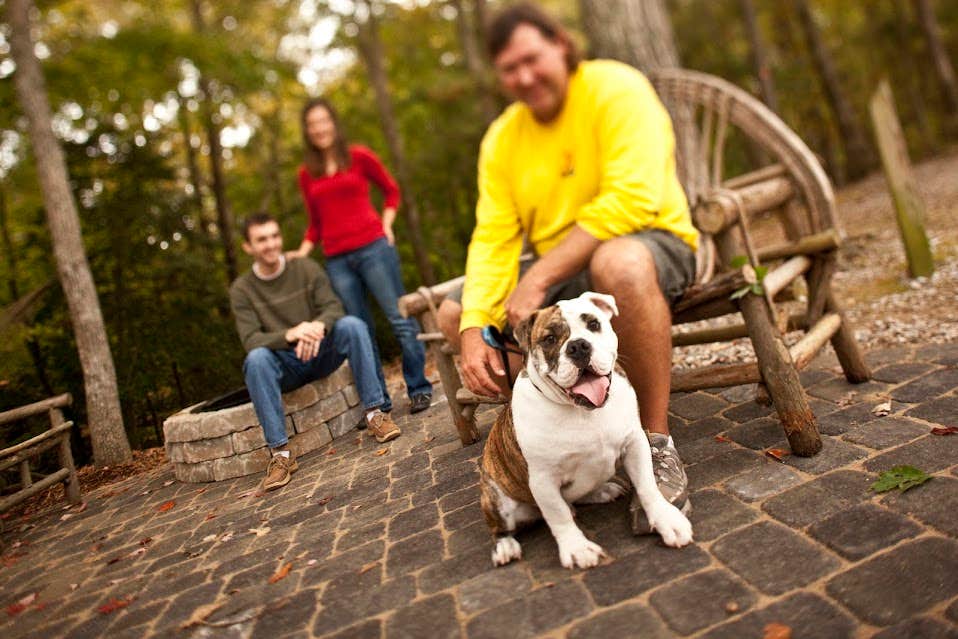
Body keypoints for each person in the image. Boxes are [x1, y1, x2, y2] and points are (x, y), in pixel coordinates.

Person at [436, 2, 699, 516]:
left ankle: (654, 443)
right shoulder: (502, 140)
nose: (525, 76)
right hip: (560, 269)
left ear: (560, 43)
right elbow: (492, 239)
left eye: (533, 58)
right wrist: (471, 328)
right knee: (452, 312)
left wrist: (537, 282)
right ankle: (567, 440)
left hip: (649, 240)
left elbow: (632, 199)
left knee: (616, 264)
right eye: (510, 69)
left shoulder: (615, 88)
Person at [230, 213, 402, 491]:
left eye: (274, 236)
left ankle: (375, 413)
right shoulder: (242, 289)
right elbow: (251, 338)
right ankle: (281, 455)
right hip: (286, 365)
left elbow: (333, 307)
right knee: (256, 359)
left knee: (352, 325)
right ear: (248, 247)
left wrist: (316, 326)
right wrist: (290, 334)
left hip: (321, 351)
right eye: (262, 240)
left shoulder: (305, 268)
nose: (271, 244)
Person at [287, 98, 433, 415]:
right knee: (359, 332)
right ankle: (377, 402)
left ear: (334, 123)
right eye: (312, 124)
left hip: (374, 249)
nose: (319, 128)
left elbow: (392, 190)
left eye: (323, 120)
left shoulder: (359, 156)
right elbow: (315, 224)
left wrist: (387, 224)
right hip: (338, 261)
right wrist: (300, 252)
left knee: (400, 319)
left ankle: (419, 387)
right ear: (307, 131)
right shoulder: (306, 173)